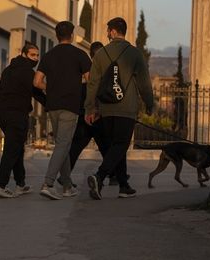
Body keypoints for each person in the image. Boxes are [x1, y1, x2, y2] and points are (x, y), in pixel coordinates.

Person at [85, 17, 155, 200]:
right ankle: (99, 177)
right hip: (126, 107)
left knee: (116, 145)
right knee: (121, 144)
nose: (107, 34)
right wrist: (149, 103)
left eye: (108, 30)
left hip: (106, 108)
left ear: (114, 31)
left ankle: (124, 186)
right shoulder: (134, 53)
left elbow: (93, 84)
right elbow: (144, 83)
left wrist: (90, 108)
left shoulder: (100, 54)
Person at [33, 21, 92, 200]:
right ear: (72, 35)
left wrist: (51, 88)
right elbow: (91, 80)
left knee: (62, 144)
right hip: (70, 105)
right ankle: (48, 183)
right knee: (63, 144)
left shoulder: (48, 55)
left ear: (57, 36)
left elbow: (36, 82)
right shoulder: (80, 54)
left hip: (52, 106)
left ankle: (67, 186)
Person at [0, 42, 46, 198]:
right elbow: (38, 93)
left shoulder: (8, 70)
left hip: (3, 114)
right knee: (11, 150)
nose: (36, 58)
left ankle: (20, 184)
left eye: (37, 55)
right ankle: (1, 186)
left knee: (17, 148)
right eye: (32, 55)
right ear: (24, 54)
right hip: (17, 115)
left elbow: (0, 89)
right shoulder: (28, 73)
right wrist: (53, 104)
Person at [67, 41, 110, 172]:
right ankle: (114, 175)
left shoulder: (87, 69)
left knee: (75, 148)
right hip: (97, 115)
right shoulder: (106, 71)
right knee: (106, 147)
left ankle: (65, 175)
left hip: (85, 115)